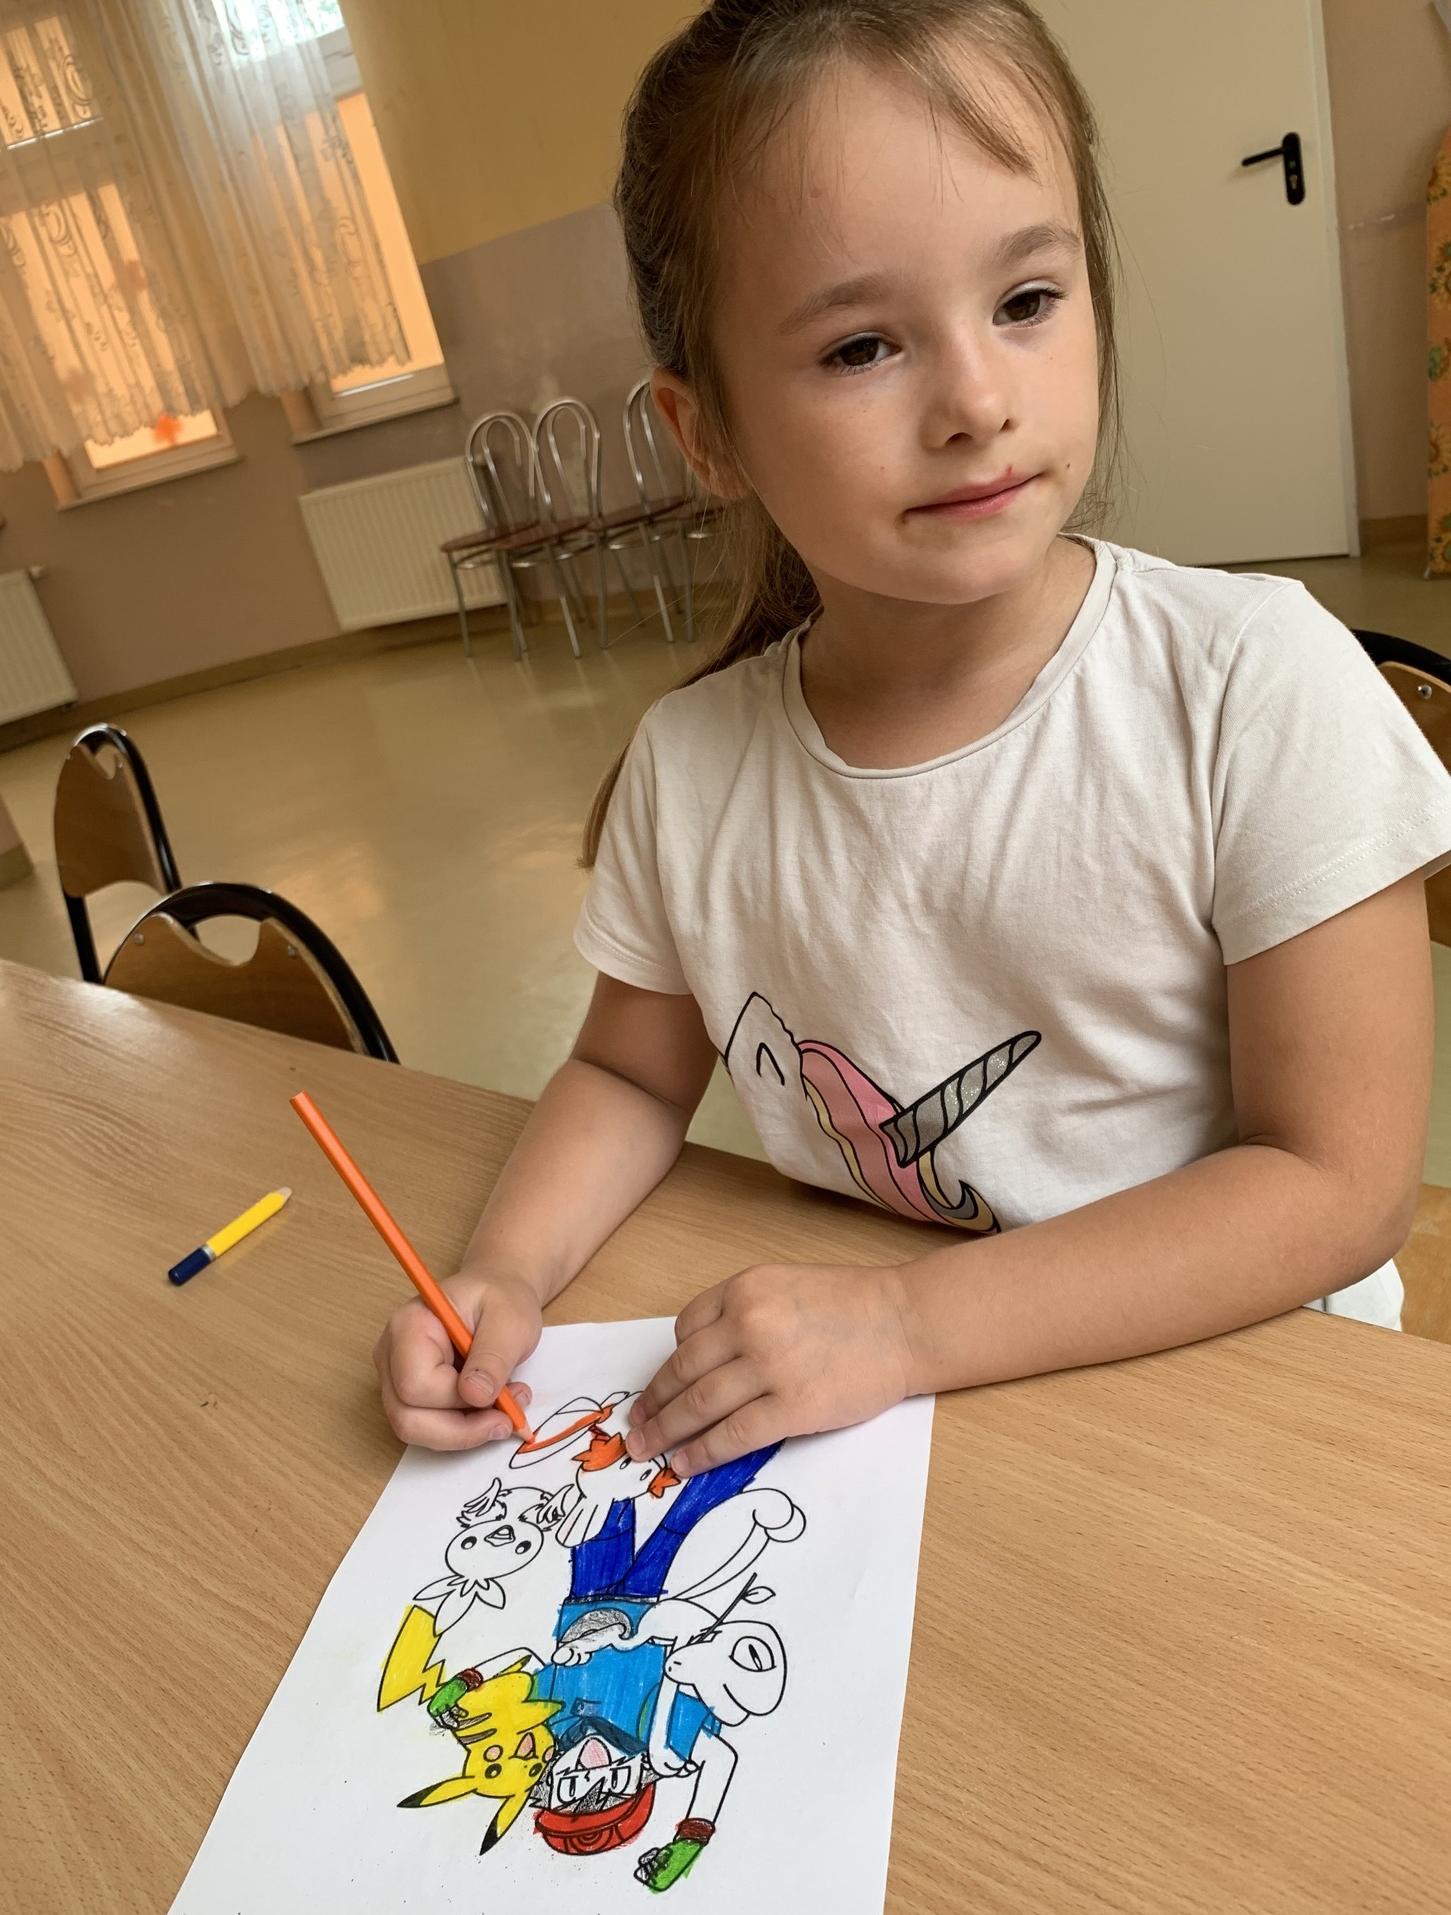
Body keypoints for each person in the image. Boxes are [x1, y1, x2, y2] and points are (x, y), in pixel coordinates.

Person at [375, 0, 1451, 1479]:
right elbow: (628, 1079)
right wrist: (505, 1270)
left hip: (1237, 1415)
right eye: (863, 345)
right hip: (912, 1449)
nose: (977, 401)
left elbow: (1339, 1184)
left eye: (1027, 299)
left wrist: (898, 1325)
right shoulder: (691, 767)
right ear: (709, 433)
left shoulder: (1254, 684)